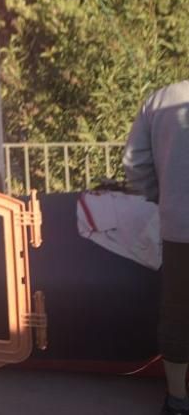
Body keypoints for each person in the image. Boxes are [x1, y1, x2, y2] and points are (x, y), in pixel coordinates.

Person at [123, 80, 189, 415]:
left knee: (178, 313)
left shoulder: (161, 99)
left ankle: (178, 400)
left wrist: (161, 198)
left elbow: (134, 164)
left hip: (180, 227)